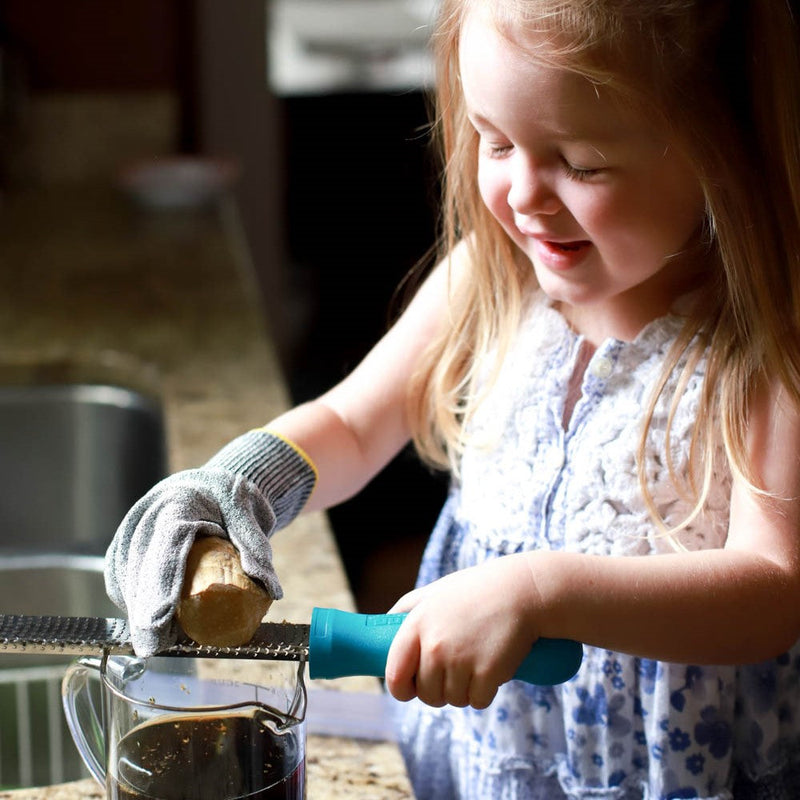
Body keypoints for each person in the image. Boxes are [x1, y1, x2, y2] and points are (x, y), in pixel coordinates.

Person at [104, 0, 800, 796]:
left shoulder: (765, 342)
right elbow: (350, 423)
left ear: (726, 148)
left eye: (582, 163)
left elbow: (773, 587)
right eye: (496, 142)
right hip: (477, 760)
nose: (523, 196)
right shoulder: (492, 275)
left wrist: (541, 594)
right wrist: (242, 484)